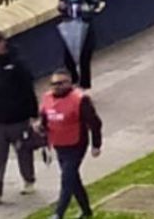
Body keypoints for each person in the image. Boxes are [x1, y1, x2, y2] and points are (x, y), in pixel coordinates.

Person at [38, 70, 101, 219]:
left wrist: (96, 145)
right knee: (73, 179)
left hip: (76, 143)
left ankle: (58, 213)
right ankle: (86, 211)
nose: (57, 87)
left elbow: (95, 123)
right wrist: (42, 134)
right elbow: (44, 119)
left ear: (69, 83)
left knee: (67, 178)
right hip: (59, 144)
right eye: (53, 84)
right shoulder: (47, 98)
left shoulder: (80, 99)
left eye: (61, 83)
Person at [0, 32, 36, 199]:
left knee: (23, 151)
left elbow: (27, 88)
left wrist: (32, 113)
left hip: (18, 118)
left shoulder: (17, 63)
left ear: (3, 44)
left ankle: (28, 179)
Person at [56, 0, 101, 89]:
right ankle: (74, 79)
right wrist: (62, 7)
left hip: (84, 27)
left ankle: (84, 86)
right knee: (68, 59)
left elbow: (96, 2)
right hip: (70, 27)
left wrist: (88, 8)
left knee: (84, 58)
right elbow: (60, 4)